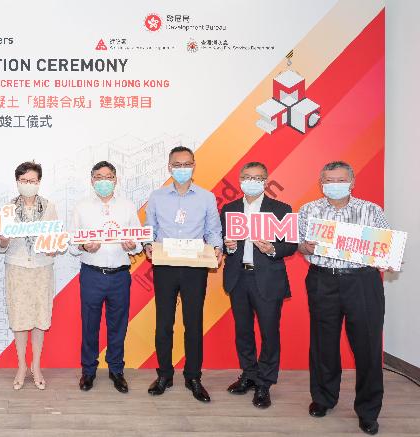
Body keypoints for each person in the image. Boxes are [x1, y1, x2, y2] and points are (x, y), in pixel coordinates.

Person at [297, 161, 390, 435]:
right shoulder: (308, 210)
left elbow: (385, 245)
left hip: (362, 281)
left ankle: (368, 410)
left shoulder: (371, 210)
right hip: (322, 279)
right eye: (329, 180)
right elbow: (298, 244)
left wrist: (387, 257)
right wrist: (305, 246)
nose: (334, 185)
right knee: (323, 342)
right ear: (321, 183)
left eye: (340, 180)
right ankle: (323, 398)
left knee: (368, 345)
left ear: (352, 182)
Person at [143, 146, 222, 403]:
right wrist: (147, 244)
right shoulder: (156, 197)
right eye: (177, 165)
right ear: (169, 167)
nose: (182, 168)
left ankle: (193, 376)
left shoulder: (206, 197)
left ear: (194, 166)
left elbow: (213, 231)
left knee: (193, 323)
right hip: (165, 266)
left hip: (194, 268)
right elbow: (149, 228)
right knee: (164, 323)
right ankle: (164, 374)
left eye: (187, 164)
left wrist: (217, 248)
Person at [219, 162, 297, 409]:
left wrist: (273, 248)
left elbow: (291, 245)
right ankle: (249, 374)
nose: (252, 181)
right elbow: (221, 243)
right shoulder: (229, 209)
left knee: (269, 333)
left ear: (266, 180)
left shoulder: (281, 209)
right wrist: (229, 247)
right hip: (238, 278)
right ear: (240, 179)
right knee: (243, 331)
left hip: (267, 279)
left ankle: (265, 382)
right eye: (247, 177)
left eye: (258, 177)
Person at [70, 161, 141, 393]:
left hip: (120, 275)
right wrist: (84, 246)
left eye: (108, 177)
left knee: (118, 326)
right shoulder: (81, 207)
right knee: (89, 325)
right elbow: (72, 244)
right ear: (92, 180)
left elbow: (138, 243)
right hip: (92, 274)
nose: (104, 181)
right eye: (99, 177)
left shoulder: (127, 206)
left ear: (115, 179)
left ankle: (116, 370)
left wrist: (132, 245)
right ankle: (88, 370)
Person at [0, 162, 57, 390]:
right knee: (20, 318)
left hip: (42, 268)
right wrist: (3, 238)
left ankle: (36, 365)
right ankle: (22, 365)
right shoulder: (8, 209)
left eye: (32, 181)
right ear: (17, 182)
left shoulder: (49, 207)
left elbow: (55, 240)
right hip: (17, 268)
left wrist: (52, 247)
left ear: (39, 182)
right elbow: (2, 246)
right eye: (24, 181)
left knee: (40, 318)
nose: (28, 184)